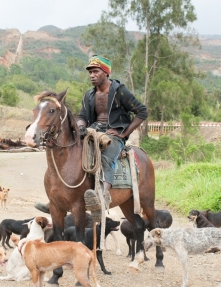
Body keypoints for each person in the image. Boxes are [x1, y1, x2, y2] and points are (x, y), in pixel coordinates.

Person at [34, 54, 148, 213]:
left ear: (106, 72)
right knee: (72, 151)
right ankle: (58, 199)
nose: (92, 75)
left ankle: (102, 195)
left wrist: (123, 133)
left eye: (96, 71)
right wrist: (81, 125)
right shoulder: (89, 94)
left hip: (114, 135)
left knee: (107, 156)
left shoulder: (119, 91)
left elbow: (142, 112)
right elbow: (82, 116)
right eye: (90, 72)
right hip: (93, 129)